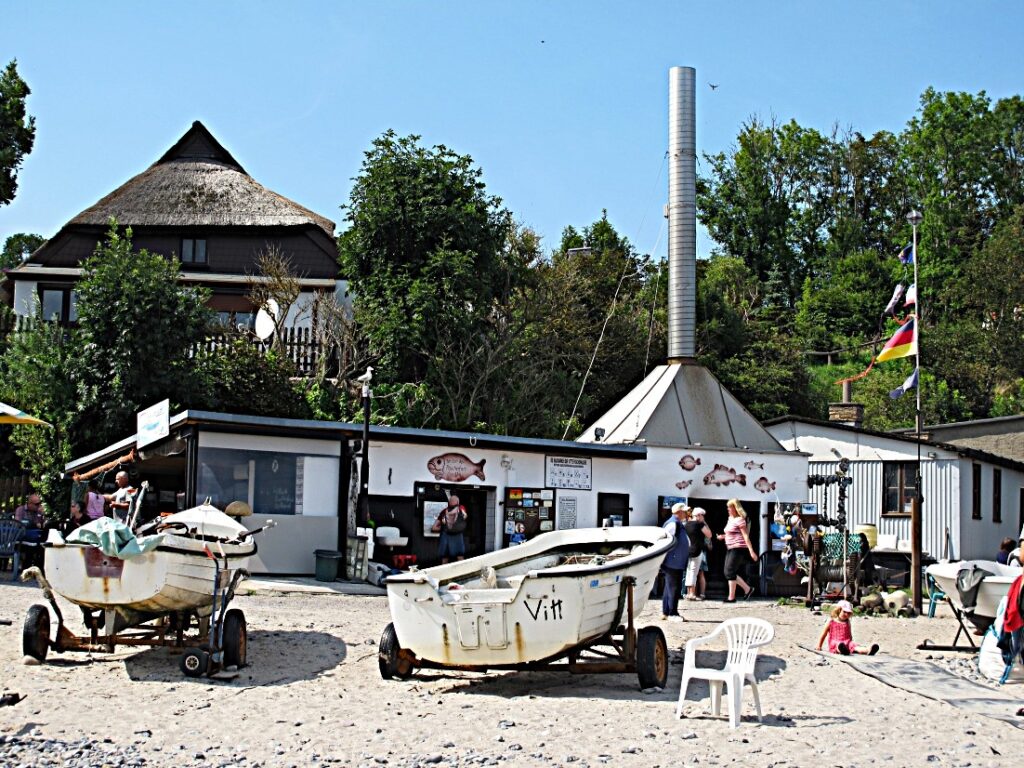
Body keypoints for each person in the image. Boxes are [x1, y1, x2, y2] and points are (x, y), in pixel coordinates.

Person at [717, 498, 758, 602]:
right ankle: (746, 590)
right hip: (730, 547)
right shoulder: (730, 519)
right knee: (729, 572)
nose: (728, 509)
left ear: (735, 508)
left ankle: (734, 596)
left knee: (729, 572)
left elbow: (745, 536)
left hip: (738, 548)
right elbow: (730, 533)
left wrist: (751, 551)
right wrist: (723, 536)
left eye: (729, 508)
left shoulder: (740, 520)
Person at [660, 502, 690, 622]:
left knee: (670, 587)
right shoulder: (673, 524)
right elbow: (665, 541)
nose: (687, 513)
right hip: (672, 561)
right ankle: (672, 613)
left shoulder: (678, 523)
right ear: (679, 512)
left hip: (675, 561)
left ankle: (666, 612)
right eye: (684, 511)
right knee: (674, 588)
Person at [683, 507, 712, 601]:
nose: (703, 517)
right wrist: (704, 523)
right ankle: (692, 593)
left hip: (688, 550)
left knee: (689, 571)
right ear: (699, 515)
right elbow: (709, 535)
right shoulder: (699, 525)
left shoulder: (687, 524)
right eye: (702, 516)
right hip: (697, 550)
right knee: (694, 572)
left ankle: (688, 592)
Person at [14, 494, 47, 568]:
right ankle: (26, 566)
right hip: (22, 537)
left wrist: (42, 515)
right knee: (31, 545)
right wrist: (32, 523)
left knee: (42, 544)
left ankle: (38, 567)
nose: (39, 506)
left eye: (40, 503)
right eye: (37, 504)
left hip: (34, 538)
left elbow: (43, 525)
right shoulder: (21, 510)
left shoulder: (38, 512)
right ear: (30, 503)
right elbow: (18, 523)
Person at [435, 494, 468, 564]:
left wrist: (444, 528)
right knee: (460, 557)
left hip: (446, 536)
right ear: (458, 502)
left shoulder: (444, 511)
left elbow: (434, 527)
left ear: (449, 503)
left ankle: (444, 574)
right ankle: (461, 573)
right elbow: (465, 516)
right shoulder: (461, 508)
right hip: (458, 536)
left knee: (445, 558)